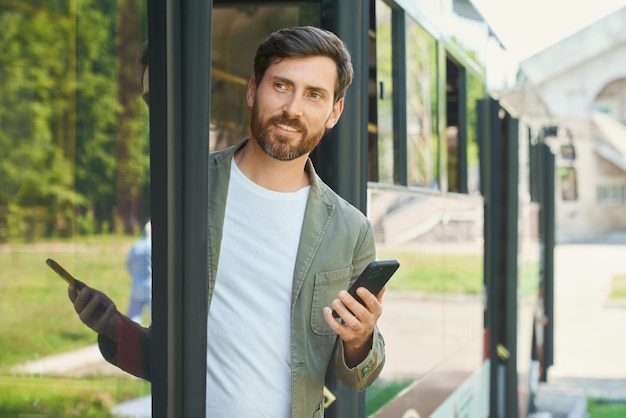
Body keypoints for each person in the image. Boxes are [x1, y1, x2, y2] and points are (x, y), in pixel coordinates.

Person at [68, 26, 386, 417]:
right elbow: (167, 356)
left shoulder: (351, 231)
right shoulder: (186, 188)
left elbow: (354, 376)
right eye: (282, 86)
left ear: (334, 112)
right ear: (253, 90)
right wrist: (113, 327)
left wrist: (360, 338)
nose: (293, 108)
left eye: (314, 94)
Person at [125, 220, 152, 323]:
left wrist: (135, 275)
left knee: (134, 317)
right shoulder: (155, 246)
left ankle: (131, 337)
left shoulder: (137, 245)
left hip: (137, 285)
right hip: (151, 286)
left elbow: (129, 263)